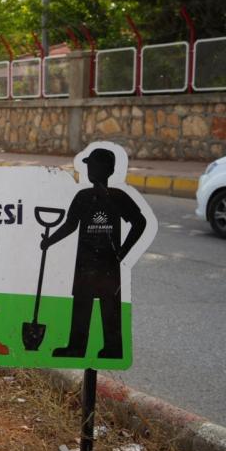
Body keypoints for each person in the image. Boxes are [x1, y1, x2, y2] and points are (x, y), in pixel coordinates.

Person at [40, 147, 147, 359]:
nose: (89, 168)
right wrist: (49, 241)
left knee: (110, 306)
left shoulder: (117, 196)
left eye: (93, 165)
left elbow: (140, 222)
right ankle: (77, 347)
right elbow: (70, 225)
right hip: (88, 262)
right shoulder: (84, 196)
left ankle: (112, 348)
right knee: (83, 303)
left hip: (106, 261)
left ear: (106, 169)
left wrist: (123, 251)